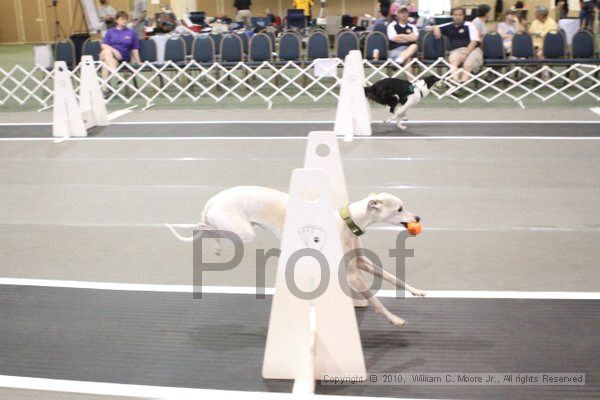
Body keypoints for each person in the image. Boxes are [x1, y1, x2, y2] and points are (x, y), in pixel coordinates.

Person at [433, 7, 482, 82]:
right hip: (456, 51)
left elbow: (474, 41)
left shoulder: (470, 25)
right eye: (455, 14)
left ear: (463, 16)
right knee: (453, 61)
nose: (457, 16)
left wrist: (466, 53)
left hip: (473, 50)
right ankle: (455, 82)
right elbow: (435, 27)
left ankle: (462, 84)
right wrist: (436, 28)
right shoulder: (448, 26)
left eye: (460, 15)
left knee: (467, 65)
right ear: (452, 16)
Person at [100, 11, 141, 96]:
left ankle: (104, 89)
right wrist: (114, 51)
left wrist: (138, 62)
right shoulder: (110, 31)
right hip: (110, 55)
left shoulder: (131, 33)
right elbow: (104, 45)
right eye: (122, 19)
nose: (124, 21)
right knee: (107, 52)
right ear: (117, 20)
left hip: (122, 57)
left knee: (105, 65)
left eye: (126, 19)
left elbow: (134, 49)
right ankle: (117, 77)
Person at [387, 4, 418, 74]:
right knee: (408, 58)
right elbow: (393, 38)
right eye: (401, 12)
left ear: (408, 14)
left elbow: (415, 38)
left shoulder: (412, 26)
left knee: (414, 46)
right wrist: (408, 37)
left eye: (405, 12)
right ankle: (411, 83)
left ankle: (398, 61)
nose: (403, 14)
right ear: (397, 14)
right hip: (395, 50)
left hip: (410, 50)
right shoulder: (391, 25)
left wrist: (400, 36)